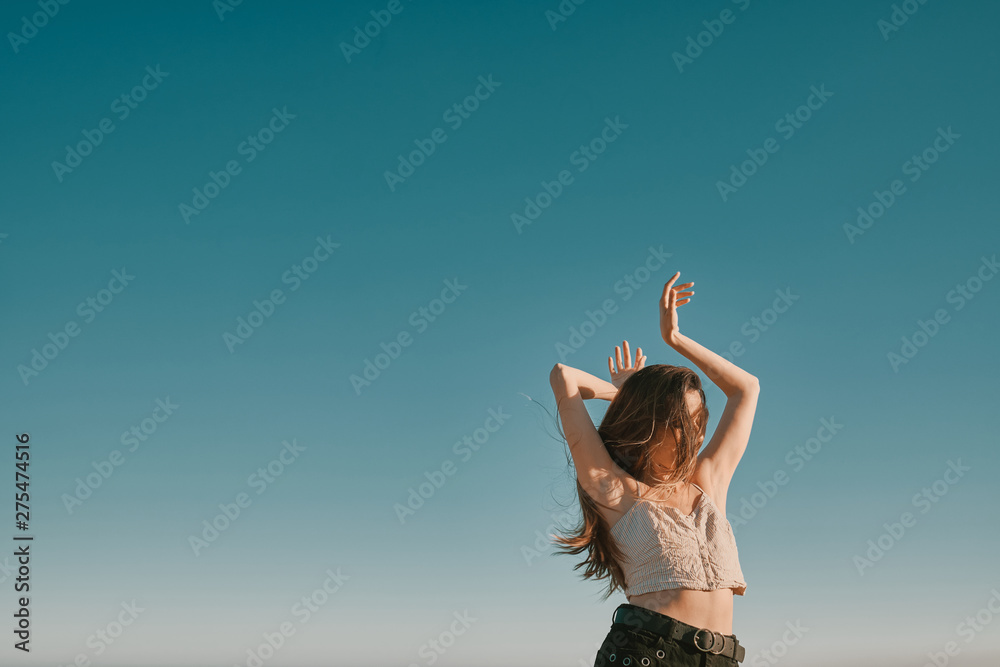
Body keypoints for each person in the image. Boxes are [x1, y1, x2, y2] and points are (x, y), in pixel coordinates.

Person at [548, 272, 760, 666]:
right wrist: (626, 393)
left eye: (698, 420)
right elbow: (564, 377)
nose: (695, 432)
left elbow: (746, 389)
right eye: (680, 420)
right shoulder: (615, 490)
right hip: (648, 653)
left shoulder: (708, 482)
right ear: (652, 422)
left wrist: (675, 339)